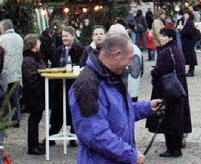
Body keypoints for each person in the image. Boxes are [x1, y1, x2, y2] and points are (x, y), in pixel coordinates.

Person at [69, 34, 162, 164]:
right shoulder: (88, 86)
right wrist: (130, 155)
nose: (130, 64)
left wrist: (147, 107)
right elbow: (95, 135)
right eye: (129, 59)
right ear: (117, 54)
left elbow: (118, 111)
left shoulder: (111, 77)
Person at [147, 27, 192, 158]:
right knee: (177, 117)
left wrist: (153, 71)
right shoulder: (176, 49)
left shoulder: (167, 51)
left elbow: (160, 70)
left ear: (170, 38)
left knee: (169, 118)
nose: (161, 38)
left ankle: (172, 149)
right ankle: (176, 145)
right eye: (160, 36)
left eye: (163, 36)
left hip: (169, 89)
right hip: (178, 87)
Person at [49, 25, 84, 141]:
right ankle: (52, 134)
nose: (64, 38)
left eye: (66, 36)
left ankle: (74, 135)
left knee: (74, 108)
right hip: (59, 85)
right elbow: (54, 65)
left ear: (73, 37)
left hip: (73, 84)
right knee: (58, 109)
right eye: (63, 36)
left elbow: (82, 65)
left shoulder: (80, 49)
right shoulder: (59, 50)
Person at [21, 34, 47, 155]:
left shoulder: (35, 58)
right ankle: (32, 146)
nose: (40, 44)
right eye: (38, 42)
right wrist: (38, 91)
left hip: (37, 94)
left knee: (36, 118)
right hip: (33, 95)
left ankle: (35, 144)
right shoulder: (29, 60)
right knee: (34, 119)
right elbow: (30, 78)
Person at [0, 19, 23, 127]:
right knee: (14, 98)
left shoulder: (2, 39)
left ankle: (3, 119)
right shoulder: (19, 38)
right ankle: (16, 118)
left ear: (3, 28)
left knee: (3, 96)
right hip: (17, 71)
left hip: (5, 71)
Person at [108, 23, 143, 102]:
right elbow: (141, 70)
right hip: (133, 90)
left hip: (125, 92)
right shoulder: (135, 48)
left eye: (110, 35)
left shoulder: (123, 49)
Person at [180, 10, 198, 76]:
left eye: (186, 14)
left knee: (190, 56)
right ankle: (190, 70)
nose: (184, 16)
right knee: (190, 55)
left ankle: (191, 71)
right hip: (188, 41)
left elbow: (188, 32)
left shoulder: (189, 23)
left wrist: (182, 30)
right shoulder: (188, 22)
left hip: (189, 41)